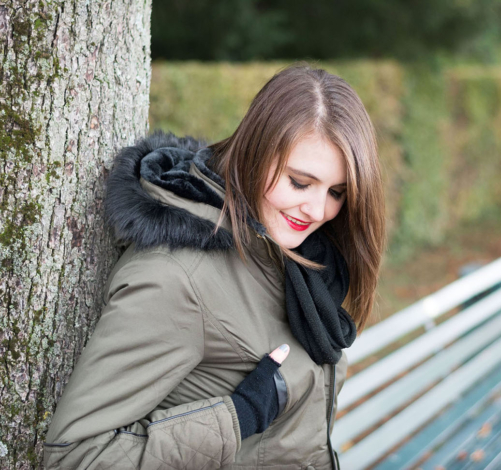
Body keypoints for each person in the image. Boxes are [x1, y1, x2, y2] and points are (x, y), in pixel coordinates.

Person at [42, 62, 386, 469]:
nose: (317, 210)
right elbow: (76, 456)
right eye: (299, 182)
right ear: (256, 153)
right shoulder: (177, 278)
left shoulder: (301, 262)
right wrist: (238, 418)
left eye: (337, 192)